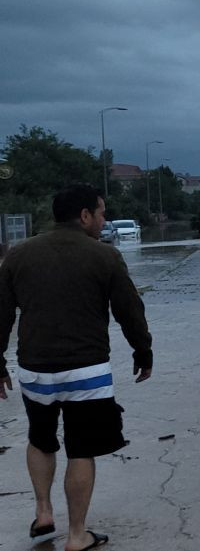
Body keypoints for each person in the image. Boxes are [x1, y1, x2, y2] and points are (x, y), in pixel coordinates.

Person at [0, 183, 153, 551]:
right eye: (101, 213)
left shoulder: (18, 255)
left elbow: (1, 315)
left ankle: (43, 513)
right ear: (84, 215)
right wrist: (142, 351)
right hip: (87, 372)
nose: (103, 220)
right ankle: (76, 534)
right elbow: (129, 311)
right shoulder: (104, 257)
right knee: (81, 449)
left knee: (40, 439)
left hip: (34, 371)